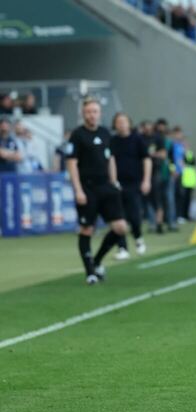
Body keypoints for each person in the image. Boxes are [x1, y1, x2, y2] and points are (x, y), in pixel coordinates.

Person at [65, 98, 129, 285]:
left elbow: (110, 159)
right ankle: (90, 272)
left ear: (100, 113)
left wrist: (114, 181)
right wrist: (78, 190)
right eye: (88, 112)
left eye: (95, 111)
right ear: (83, 114)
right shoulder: (77, 135)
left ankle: (98, 260)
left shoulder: (105, 133)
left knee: (120, 227)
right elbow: (72, 163)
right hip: (87, 187)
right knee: (87, 229)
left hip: (105, 186)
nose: (92, 115)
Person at [110, 112, 151, 258]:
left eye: (124, 121)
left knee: (134, 215)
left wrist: (146, 180)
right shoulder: (112, 141)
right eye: (118, 121)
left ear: (129, 123)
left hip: (134, 183)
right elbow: (111, 161)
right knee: (118, 217)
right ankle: (122, 248)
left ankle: (138, 239)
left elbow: (146, 160)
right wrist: (113, 181)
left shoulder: (137, 140)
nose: (121, 124)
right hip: (117, 184)